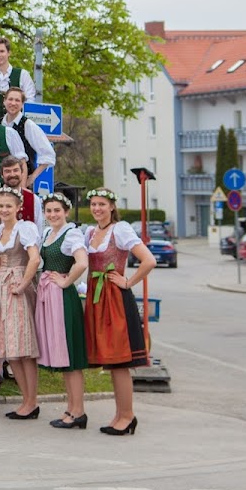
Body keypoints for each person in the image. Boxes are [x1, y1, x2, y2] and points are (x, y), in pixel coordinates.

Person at [84, 187, 156, 436]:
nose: (97, 209)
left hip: (115, 300)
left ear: (112, 206)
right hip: (97, 298)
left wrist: (128, 282)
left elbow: (149, 260)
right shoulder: (90, 232)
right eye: (94, 204)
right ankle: (119, 415)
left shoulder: (120, 229)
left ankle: (127, 416)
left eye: (102, 204)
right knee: (111, 363)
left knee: (120, 362)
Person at [34, 193, 91, 429]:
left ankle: (78, 412)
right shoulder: (48, 233)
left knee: (71, 357)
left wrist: (66, 282)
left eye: (57, 210)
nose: (52, 214)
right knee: (65, 358)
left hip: (62, 298)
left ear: (66, 211)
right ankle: (71, 408)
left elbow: (82, 262)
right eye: (49, 211)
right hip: (49, 296)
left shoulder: (71, 233)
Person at [0, 186, 42, 420]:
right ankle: (26, 400)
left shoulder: (25, 228)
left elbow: (35, 259)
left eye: (8, 206)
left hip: (17, 283)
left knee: (23, 346)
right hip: (1, 286)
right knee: (11, 348)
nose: (4, 210)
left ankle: (32, 401)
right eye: (1, 206)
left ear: (18, 207)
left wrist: (22, 285)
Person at [1, 87, 55, 184]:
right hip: (2, 180)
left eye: (17, 100)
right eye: (10, 99)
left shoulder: (28, 125)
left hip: (21, 181)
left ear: (22, 104)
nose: (13, 103)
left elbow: (48, 154)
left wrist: (33, 177)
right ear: (4, 101)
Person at [0, 37, 37, 120]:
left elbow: (30, 102)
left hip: (19, 124)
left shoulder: (23, 75)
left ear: (9, 53)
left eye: (2, 51)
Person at [0, 156, 42, 224]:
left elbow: (39, 227)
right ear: (2, 175)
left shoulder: (33, 199)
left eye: (16, 170)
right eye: (7, 171)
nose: (12, 174)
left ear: (22, 173)